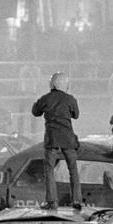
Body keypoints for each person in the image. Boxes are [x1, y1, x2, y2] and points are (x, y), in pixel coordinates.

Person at [30, 72, 82, 208]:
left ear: (52, 84)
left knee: (49, 170)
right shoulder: (70, 99)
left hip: (52, 139)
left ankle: (52, 201)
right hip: (68, 139)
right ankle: (77, 200)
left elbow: (35, 112)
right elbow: (76, 115)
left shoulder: (46, 98)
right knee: (73, 169)